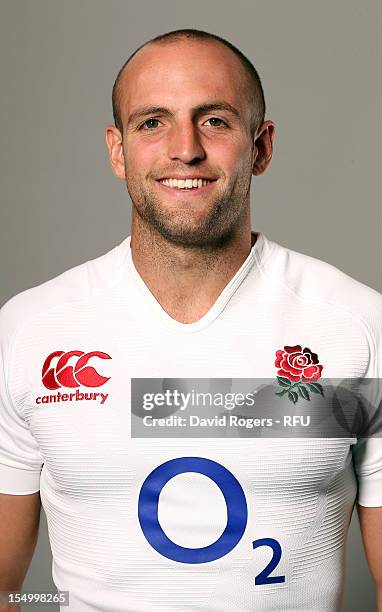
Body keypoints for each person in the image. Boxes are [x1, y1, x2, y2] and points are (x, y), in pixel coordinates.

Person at [0, 27, 381, 612]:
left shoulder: (357, 327)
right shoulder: (29, 331)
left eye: (216, 121)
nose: (185, 149)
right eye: (152, 122)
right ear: (117, 149)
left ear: (262, 145)